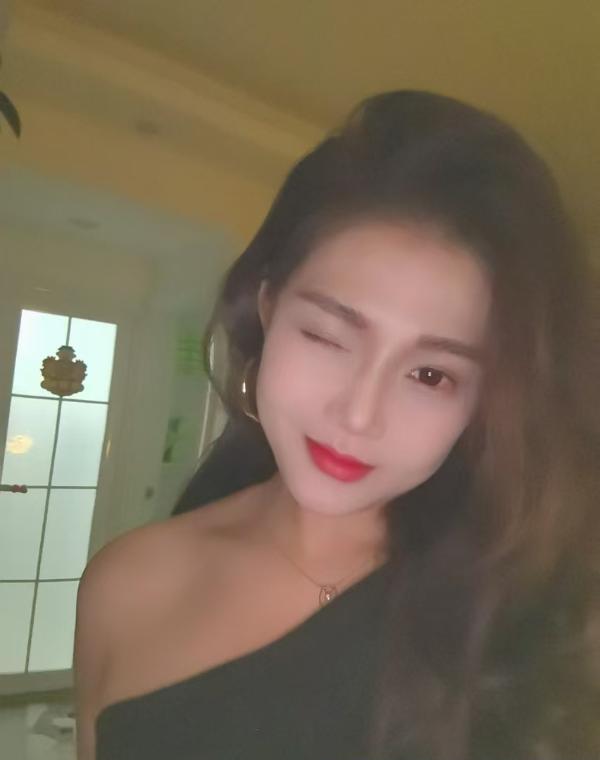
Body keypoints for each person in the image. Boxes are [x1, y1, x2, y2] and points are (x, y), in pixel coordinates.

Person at [74, 90, 600, 760]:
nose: (358, 414)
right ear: (267, 309)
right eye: (327, 337)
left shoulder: (542, 612)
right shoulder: (128, 587)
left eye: (430, 374)